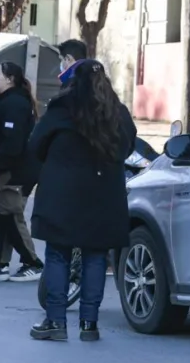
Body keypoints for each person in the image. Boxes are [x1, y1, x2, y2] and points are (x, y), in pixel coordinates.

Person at [28, 59, 137, 341]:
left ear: (74, 81)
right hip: (103, 195)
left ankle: (56, 322)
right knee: (96, 256)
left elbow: (36, 144)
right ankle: (89, 324)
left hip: (61, 194)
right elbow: (128, 147)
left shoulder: (61, 110)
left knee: (57, 255)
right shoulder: (118, 114)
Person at [0, 62, 45, 283]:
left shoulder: (14, 104)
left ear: (10, 79)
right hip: (8, 167)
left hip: (16, 170)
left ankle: (32, 262)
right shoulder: (6, 101)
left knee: (11, 217)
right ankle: (1, 263)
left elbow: (13, 143)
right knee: (1, 217)